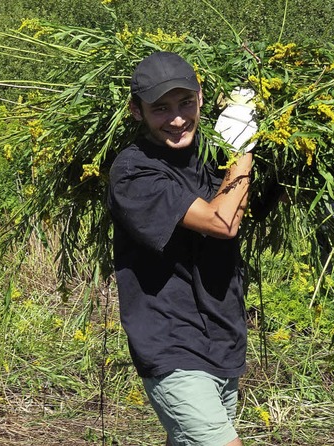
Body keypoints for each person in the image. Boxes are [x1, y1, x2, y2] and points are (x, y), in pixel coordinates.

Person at [107, 52, 258, 446]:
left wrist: (258, 134)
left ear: (202, 98)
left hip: (222, 337)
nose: (176, 119)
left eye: (185, 103)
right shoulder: (133, 171)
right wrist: (244, 150)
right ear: (136, 111)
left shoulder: (212, 158)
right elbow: (221, 222)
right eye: (160, 109)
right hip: (171, 340)